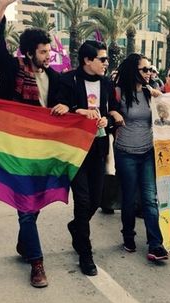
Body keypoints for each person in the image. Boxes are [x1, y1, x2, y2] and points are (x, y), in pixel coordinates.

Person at [0, 0, 70, 287]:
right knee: (25, 203)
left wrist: (64, 108)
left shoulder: (56, 78)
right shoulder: (12, 70)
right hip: (15, 149)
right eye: (44, 51)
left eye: (50, 51)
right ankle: (37, 263)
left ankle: (25, 244)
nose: (49, 55)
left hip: (44, 150)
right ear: (30, 52)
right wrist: (0, 8)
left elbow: (67, 104)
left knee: (34, 205)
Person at [56, 40, 113, 276]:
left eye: (106, 59)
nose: (106, 63)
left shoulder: (107, 83)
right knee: (82, 200)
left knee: (96, 200)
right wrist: (79, 110)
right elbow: (58, 108)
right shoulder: (68, 80)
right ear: (87, 60)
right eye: (102, 59)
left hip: (98, 147)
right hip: (75, 149)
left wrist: (106, 119)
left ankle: (76, 227)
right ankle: (85, 253)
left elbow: (110, 109)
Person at [109, 53, 168, 261]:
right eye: (144, 69)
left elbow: (164, 117)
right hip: (125, 152)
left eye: (150, 69)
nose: (149, 73)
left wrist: (161, 99)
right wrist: (113, 115)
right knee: (129, 197)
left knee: (150, 199)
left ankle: (156, 244)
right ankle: (128, 236)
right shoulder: (117, 92)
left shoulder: (150, 93)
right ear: (133, 71)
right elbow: (106, 113)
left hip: (147, 153)